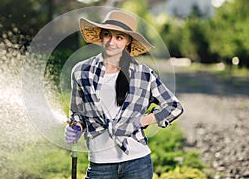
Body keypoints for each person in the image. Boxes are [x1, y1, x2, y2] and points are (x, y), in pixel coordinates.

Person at [65, 10, 183, 179]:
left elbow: (174, 107)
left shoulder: (143, 74)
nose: (111, 42)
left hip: (137, 163)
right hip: (100, 165)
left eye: (119, 37)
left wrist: (143, 120)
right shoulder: (81, 71)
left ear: (128, 41)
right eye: (107, 35)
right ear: (101, 36)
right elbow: (78, 113)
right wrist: (76, 127)